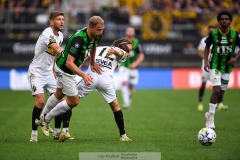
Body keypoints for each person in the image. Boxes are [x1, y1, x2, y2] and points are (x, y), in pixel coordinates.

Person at [35, 16, 104, 142]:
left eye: (102, 30)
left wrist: (93, 62)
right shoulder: (78, 40)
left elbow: (94, 46)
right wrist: (84, 75)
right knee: (74, 101)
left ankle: (41, 118)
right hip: (65, 70)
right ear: (91, 27)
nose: (100, 33)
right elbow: (69, 63)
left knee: (58, 94)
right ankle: (46, 119)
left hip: (64, 68)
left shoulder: (95, 35)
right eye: (98, 30)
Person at [28, 11, 73, 142]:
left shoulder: (61, 35)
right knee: (40, 101)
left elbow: (55, 55)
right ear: (51, 22)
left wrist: (53, 69)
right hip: (36, 72)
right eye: (59, 19)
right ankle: (34, 134)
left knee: (60, 100)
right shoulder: (47, 34)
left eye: (63, 19)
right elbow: (57, 49)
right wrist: (72, 57)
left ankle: (57, 133)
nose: (62, 22)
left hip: (49, 73)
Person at [77, 39, 133, 141]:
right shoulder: (120, 52)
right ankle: (123, 135)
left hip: (90, 77)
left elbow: (85, 56)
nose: (129, 53)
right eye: (128, 50)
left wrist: (78, 69)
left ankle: (63, 130)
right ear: (123, 48)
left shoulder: (98, 48)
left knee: (71, 100)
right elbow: (121, 53)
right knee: (115, 106)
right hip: (105, 81)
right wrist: (116, 52)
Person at [204, 11, 240, 129]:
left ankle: (209, 113)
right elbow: (206, 47)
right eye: (222, 19)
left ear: (230, 21)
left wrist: (235, 58)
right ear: (218, 21)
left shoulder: (235, 35)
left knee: (221, 93)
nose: (224, 21)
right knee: (217, 90)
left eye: (227, 19)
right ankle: (211, 118)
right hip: (215, 65)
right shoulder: (213, 34)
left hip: (227, 67)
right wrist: (206, 61)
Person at [197, 26, 228, 111]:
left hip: (216, 65)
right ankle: (200, 103)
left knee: (218, 84)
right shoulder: (204, 40)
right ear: (208, 31)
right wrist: (206, 58)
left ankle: (220, 103)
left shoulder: (220, 39)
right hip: (206, 65)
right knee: (203, 83)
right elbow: (199, 52)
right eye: (210, 31)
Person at [119, 26, 144, 108]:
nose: (130, 32)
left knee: (131, 86)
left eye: (131, 31)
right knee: (123, 82)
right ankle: (126, 103)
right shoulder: (122, 42)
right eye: (128, 31)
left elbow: (141, 56)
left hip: (133, 68)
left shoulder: (137, 42)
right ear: (126, 32)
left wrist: (135, 64)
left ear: (134, 33)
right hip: (124, 66)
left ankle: (128, 100)